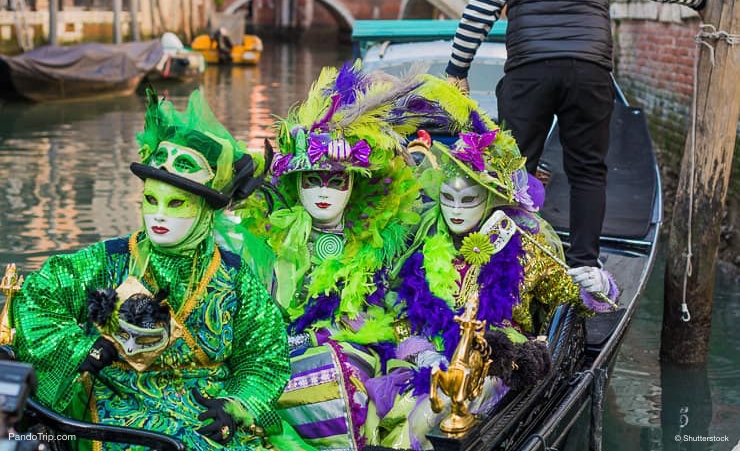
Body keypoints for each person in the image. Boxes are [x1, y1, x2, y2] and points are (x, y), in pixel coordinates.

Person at [12, 88, 292, 450]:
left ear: (206, 210)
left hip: (206, 417)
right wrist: (83, 348)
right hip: (121, 412)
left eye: (176, 203)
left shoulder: (235, 276)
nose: (158, 215)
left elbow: (262, 359)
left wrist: (236, 406)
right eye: (150, 200)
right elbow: (36, 302)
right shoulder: (107, 259)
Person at [364, 78, 618, 450]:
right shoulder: (422, 238)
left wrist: (599, 285)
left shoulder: (527, 243)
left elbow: (568, 298)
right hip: (426, 353)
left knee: (452, 399)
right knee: (402, 412)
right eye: (447, 198)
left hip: (496, 357)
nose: (453, 209)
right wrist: (426, 354)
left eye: (467, 200)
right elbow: (400, 309)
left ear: (489, 200)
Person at [445, 0, 707, 287]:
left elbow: (479, 11)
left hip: (529, 72)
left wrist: (457, 70)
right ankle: (585, 264)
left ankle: (505, 260)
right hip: (588, 71)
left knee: (513, 169)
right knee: (587, 171)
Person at [222, 63, 434, 450]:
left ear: (354, 186)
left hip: (356, 353)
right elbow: (255, 307)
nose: (323, 191)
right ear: (294, 184)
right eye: (311, 180)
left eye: (336, 180)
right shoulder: (273, 239)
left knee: (337, 372)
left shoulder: (381, 239)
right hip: (279, 350)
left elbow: (400, 310)